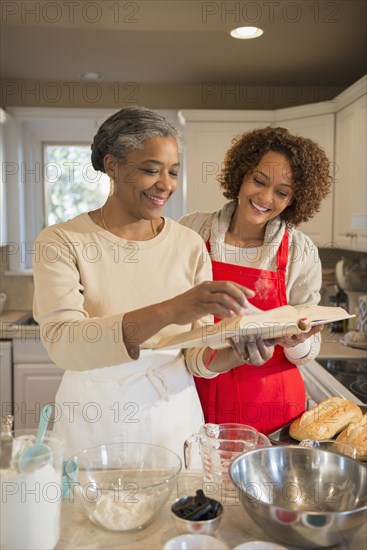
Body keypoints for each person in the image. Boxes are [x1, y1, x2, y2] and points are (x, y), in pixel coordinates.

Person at [32, 106, 272, 459]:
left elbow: (194, 355)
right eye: (150, 170)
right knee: (89, 513)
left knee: (177, 509)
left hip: (172, 416)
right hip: (94, 415)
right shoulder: (61, 241)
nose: (166, 185)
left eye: (173, 172)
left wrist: (237, 354)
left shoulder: (187, 244)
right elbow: (64, 342)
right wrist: (172, 309)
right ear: (113, 166)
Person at [180, 126, 333, 434]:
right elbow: (181, 328)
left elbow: (307, 349)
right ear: (241, 175)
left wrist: (298, 342)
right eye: (259, 181)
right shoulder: (194, 231)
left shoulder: (300, 250)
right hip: (200, 398)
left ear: (294, 199)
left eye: (282, 192)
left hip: (275, 409)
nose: (265, 198)